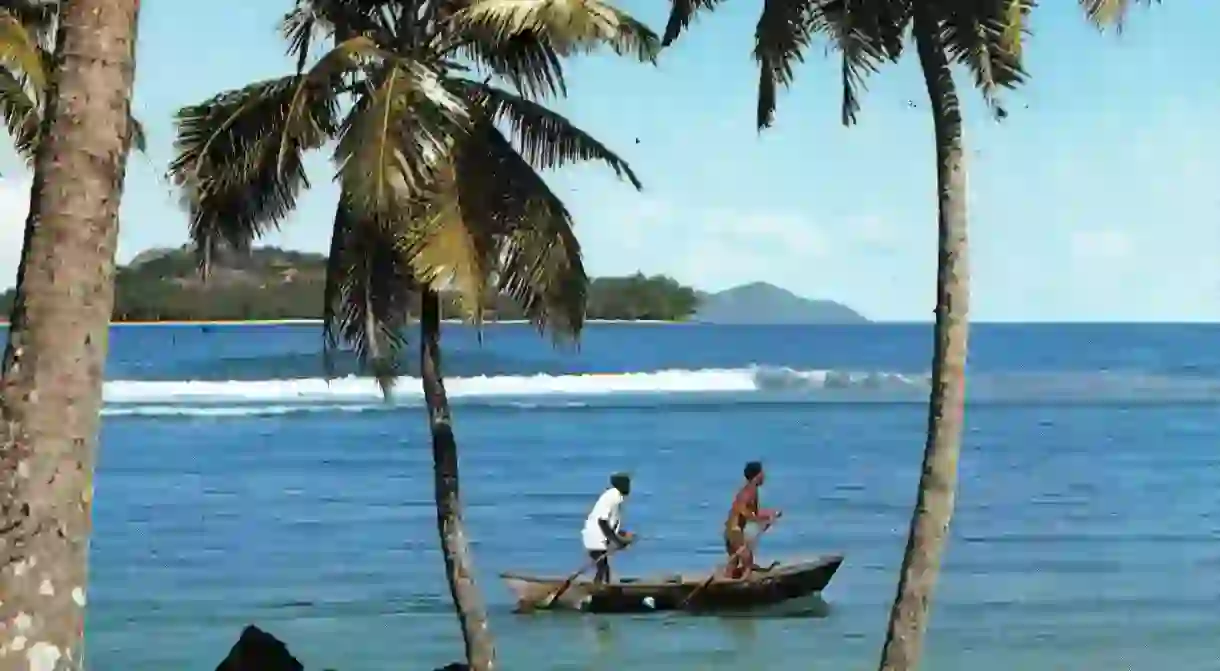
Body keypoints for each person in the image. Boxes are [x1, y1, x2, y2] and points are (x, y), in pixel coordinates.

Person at [723, 461, 781, 579]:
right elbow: (743, 511)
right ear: (757, 475)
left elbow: (755, 512)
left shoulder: (752, 490)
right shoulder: (749, 492)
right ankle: (742, 586)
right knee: (747, 562)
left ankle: (725, 584)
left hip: (731, 531)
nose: (764, 476)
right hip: (735, 531)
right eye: (762, 473)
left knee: (733, 563)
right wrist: (761, 521)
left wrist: (771, 514)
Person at [581, 472, 634, 584]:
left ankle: (597, 590)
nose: (629, 487)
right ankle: (597, 592)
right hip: (595, 538)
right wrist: (618, 540)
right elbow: (602, 521)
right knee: (603, 570)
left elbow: (609, 523)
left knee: (603, 569)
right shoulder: (613, 496)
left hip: (598, 536)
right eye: (627, 484)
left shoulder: (616, 496)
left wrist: (621, 534)